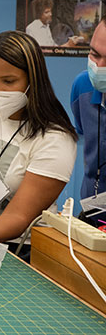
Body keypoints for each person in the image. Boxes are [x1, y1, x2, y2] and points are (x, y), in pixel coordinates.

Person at [0, 30, 77, 247]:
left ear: (33, 80)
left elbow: (19, 217)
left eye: (9, 81)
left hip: (17, 247)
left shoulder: (55, 138)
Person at [71, 15, 106, 225]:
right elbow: (84, 135)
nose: (100, 66)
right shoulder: (82, 86)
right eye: (95, 54)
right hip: (91, 216)